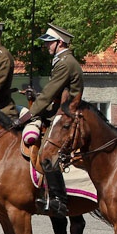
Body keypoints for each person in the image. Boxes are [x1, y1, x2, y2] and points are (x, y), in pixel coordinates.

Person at [19, 24, 84, 218]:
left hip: (66, 114)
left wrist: (29, 114)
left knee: (47, 152)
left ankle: (59, 199)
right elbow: (53, 93)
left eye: (50, 42)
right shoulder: (62, 60)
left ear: (60, 43)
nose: (47, 46)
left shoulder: (65, 62)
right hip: (58, 109)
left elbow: (49, 94)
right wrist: (37, 96)